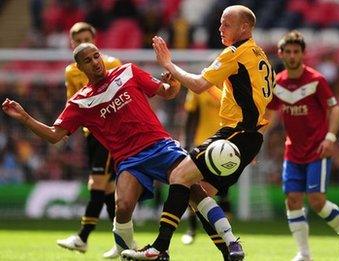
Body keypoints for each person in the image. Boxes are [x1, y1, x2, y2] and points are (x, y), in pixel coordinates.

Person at [2, 43, 236, 261]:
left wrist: (173, 82)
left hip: (160, 146)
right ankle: (129, 251)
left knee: (195, 192)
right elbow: (54, 135)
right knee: (122, 207)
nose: (95, 62)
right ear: (79, 67)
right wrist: (24, 118)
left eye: (96, 56)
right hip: (129, 160)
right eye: (88, 60)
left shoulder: (128, 72)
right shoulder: (79, 102)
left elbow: (167, 92)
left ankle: (230, 242)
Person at [121, 5, 275, 261]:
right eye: (221, 23)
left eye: (227, 24)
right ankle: (230, 249)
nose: (220, 28)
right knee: (196, 193)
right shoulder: (259, 56)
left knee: (179, 175)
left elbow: (199, 84)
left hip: (236, 133)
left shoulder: (235, 53)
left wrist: (169, 64)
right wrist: (247, 147)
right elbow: (238, 97)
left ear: (245, 28)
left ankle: (159, 248)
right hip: (249, 138)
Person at [266, 30, 339, 261]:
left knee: (317, 201)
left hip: (317, 150)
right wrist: (256, 140)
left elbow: (334, 108)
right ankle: (304, 253)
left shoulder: (316, 80)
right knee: (293, 200)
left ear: (303, 54)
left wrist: (330, 138)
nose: (292, 55)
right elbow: (271, 114)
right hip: (292, 151)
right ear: (281, 54)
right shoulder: (278, 83)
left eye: (296, 51)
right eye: (288, 51)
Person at [56, 22, 122, 259]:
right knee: (108, 188)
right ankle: (124, 240)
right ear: (72, 44)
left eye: (87, 38)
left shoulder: (112, 64)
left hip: (108, 133)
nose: (82, 42)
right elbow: (72, 101)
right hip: (90, 134)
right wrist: (66, 129)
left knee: (97, 184)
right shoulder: (71, 71)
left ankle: (83, 236)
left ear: (95, 39)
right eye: (78, 39)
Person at [181, 89, 233, 247]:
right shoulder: (198, 87)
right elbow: (191, 116)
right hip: (202, 144)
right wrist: (187, 142)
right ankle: (191, 230)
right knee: (195, 188)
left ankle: (225, 234)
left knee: (223, 194)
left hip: (225, 147)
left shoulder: (230, 85)